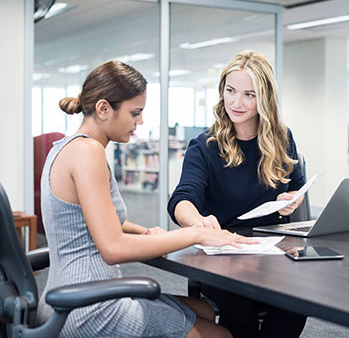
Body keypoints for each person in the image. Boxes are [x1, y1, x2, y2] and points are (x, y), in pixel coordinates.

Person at [36, 60, 259, 338]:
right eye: (135, 113)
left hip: (66, 298)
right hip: (89, 308)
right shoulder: (88, 153)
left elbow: (95, 218)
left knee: (204, 311)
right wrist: (196, 235)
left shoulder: (65, 147)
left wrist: (144, 232)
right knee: (221, 335)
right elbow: (113, 248)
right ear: (104, 108)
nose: (140, 122)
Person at [168, 50, 307, 337]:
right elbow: (182, 199)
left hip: (271, 252)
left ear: (264, 98)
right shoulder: (205, 146)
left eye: (248, 94)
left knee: (296, 303)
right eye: (230, 91)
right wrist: (197, 223)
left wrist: (291, 199)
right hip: (225, 253)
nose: (236, 102)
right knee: (240, 305)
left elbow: (297, 185)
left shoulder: (282, 138)